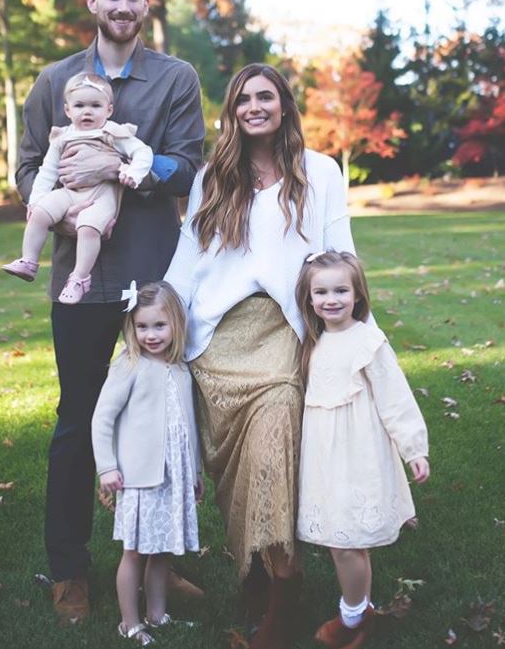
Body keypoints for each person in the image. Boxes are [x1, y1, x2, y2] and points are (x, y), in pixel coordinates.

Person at [14, 0, 204, 624]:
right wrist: (69, 196)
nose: (123, 4)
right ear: (93, 4)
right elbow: (29, 166)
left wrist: (128, 169)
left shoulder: (175, 77)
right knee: (77, 420)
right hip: (80, 281)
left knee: (163, 418)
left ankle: (157, 559)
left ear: (145, 5)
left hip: (156, 280)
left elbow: (190, 167)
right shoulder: (55, 80)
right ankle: (69, 569)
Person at [164, 63, 358, 649]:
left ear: (283, 105)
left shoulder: (319, 172)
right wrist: (157, 313)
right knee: (235, 472)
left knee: (275, 446)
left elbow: (341, 251)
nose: (255, 106)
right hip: (219, 340)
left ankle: (284, 591)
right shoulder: (214, 176)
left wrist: (357, 335)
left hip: (283, 334)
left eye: (265, 96)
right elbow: (188, 254)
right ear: (233, 108)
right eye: (244, 98)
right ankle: (253, 572)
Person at [294, 250, 430, 649]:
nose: (331, 300)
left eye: (341, 290)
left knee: (349, 540)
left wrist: (413, 449)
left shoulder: (368, 341)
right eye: (321, 292)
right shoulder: (313, 342)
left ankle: (354, 615)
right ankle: (358, 609)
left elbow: (395, 397)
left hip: (358, 455)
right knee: (340, 538)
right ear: (309, 297)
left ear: (358, 295)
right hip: (324, 458)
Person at [92, 281, 203, 645]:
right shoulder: (130, 364)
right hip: (139, 477)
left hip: (174, 475)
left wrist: (196, 472)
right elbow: (102, 417)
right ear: (132, 328)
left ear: (176, 325)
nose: (150, 335)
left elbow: (189, 424)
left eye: (159, 326)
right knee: (136, 551)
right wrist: (107, 466)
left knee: (162, 549)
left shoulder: (180, 366)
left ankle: (157, 615)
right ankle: (129, 622)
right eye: (142, 327)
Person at [3, 72, 153, 304]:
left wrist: (133, 172)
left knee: (88, 226)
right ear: (67, 110)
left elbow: (143, 152)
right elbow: (47, 171)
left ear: (109, 110)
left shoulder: (113, 132)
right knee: (40, 212)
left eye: (95, 105)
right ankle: (29, 261)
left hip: (101, 196)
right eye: (80, 105)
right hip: (69, 192)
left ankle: (80, 278)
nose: (87, 111)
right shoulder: (62, 137)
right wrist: (36, 200)